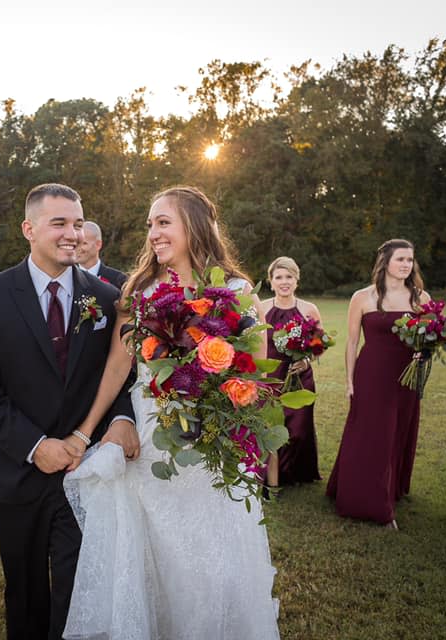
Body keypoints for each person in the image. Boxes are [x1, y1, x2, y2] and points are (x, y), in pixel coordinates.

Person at [62, 186, 280, 640]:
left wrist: (222, 406)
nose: (154, 233)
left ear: (194, 226)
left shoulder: (237, 291)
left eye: (164, 222)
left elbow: (255, 376)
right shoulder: (140, 291)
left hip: (210, 447)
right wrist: (86, 430)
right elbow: (119, 365)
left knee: (211, 560)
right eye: (150, 224)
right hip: (152, 438)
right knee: (154, 554)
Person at [0, 183, 138, 640]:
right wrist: (34, 446)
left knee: (78, 594)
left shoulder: (105, 296)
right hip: (17, 474)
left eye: (77, 223)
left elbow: (119, 378)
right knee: (24, 593)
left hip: (85, 473)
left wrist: (122, 419)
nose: (72, 233)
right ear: (29, 228)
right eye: (59, 222)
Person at [326, 239, 430, 529]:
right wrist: (349, 381)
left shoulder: (420, 297)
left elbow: (430, 335)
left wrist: (426, 348)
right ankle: (374, 504)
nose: (406, 265)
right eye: (401, 259)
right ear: (385, 262)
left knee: (398, 431)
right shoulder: (363, 297)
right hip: (372, 374)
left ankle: (390, 488)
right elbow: (352, 342)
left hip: (407, 376)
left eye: (410, 260)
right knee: (373, 435)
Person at [260, 256, 322, 488]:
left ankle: (296, 472)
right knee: (272, 427)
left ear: (297, 280)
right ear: (271, 281)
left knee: (297, 430)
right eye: (279, 277)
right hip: (270, 378)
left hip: (299, 378)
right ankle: (275, 477)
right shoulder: (263, 308)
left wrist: (306, 361)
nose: (284, 282)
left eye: (289, 277)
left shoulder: (309, 309)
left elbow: (318, 344)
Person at [75, 221, 127, 291]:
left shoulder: (118, 280)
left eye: (84, 243)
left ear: (98, 245)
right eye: (76, 243)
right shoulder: (67, 278)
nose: (78, 248)